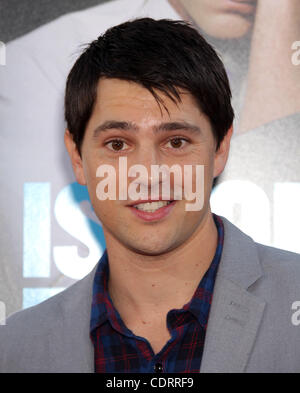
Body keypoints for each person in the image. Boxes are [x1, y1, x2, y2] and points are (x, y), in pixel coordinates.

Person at [1, 17, 300, 374]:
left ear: (220, 148)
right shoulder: (15, 349)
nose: (148, 174)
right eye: (117, 144)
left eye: (175, 142)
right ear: (77, 156)